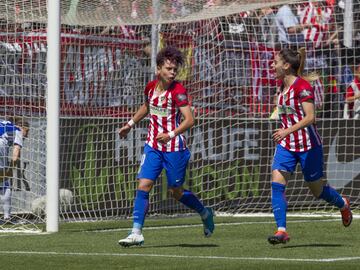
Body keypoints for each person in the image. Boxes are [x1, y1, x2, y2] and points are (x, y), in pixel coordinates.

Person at [118, 46, 214, 247]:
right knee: (143, 185)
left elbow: (190, 120)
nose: (172, 72)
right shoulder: (151, 87)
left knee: (176, 191)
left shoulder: (178, 91)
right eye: (169, 69)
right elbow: (147, 106)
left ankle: (205, 213)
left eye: (175, 70)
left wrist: (170, 134)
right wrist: (129, 125)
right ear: (159, 68)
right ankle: (136, 232)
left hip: (174, 148)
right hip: (153, 145)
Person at [268, 47, 352, 245]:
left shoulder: (303, 87)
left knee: (317, 191)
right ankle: (282, 231)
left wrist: (287, 130)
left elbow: (311, 117)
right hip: (286, 146)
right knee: (276, 185)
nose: (273, 64)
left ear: (286, 66)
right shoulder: (280, 86)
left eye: (276, 62)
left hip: (308, 146)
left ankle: (342, 204)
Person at [0, 117, 30, 223]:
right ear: (21, 127)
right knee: (5, 185)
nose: (27, 135)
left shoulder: (4, 123)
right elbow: (16, 150)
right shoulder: (16, 130)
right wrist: (11, 169)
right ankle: (7, 217)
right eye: (27, 131)